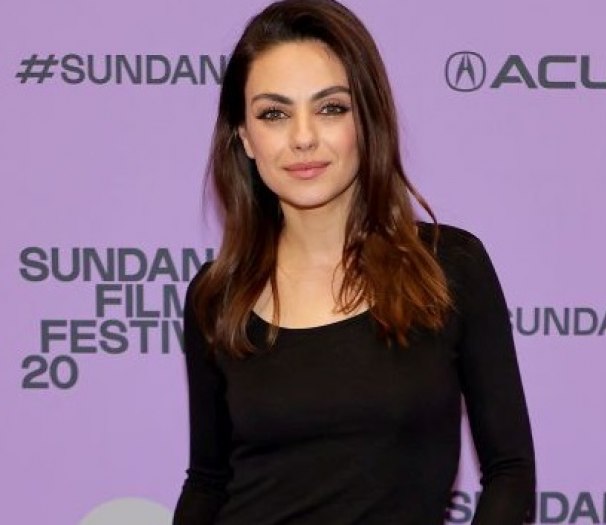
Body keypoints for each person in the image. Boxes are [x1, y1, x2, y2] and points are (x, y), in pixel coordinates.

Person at [173, 0, 535, 523]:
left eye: (330, 108)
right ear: (245, 137)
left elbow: (510, 472)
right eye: (274, 114)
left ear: (366, 119)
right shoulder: (217, 296)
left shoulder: (449, 268)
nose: (303, 137)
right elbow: (208, 482)